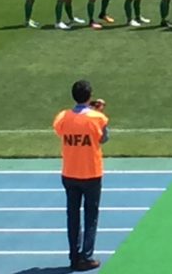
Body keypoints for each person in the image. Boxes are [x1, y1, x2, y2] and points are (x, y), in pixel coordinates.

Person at [53, 80, 109, 272]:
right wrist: (99, 112)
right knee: (91, 215)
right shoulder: (96, 118)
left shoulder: (63, 117)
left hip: (70, 171)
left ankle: (74, 255)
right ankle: (85, 256)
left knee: (73, 215)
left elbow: (60, 129)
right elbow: (104, 138)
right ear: (90, 96)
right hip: (91, 172)